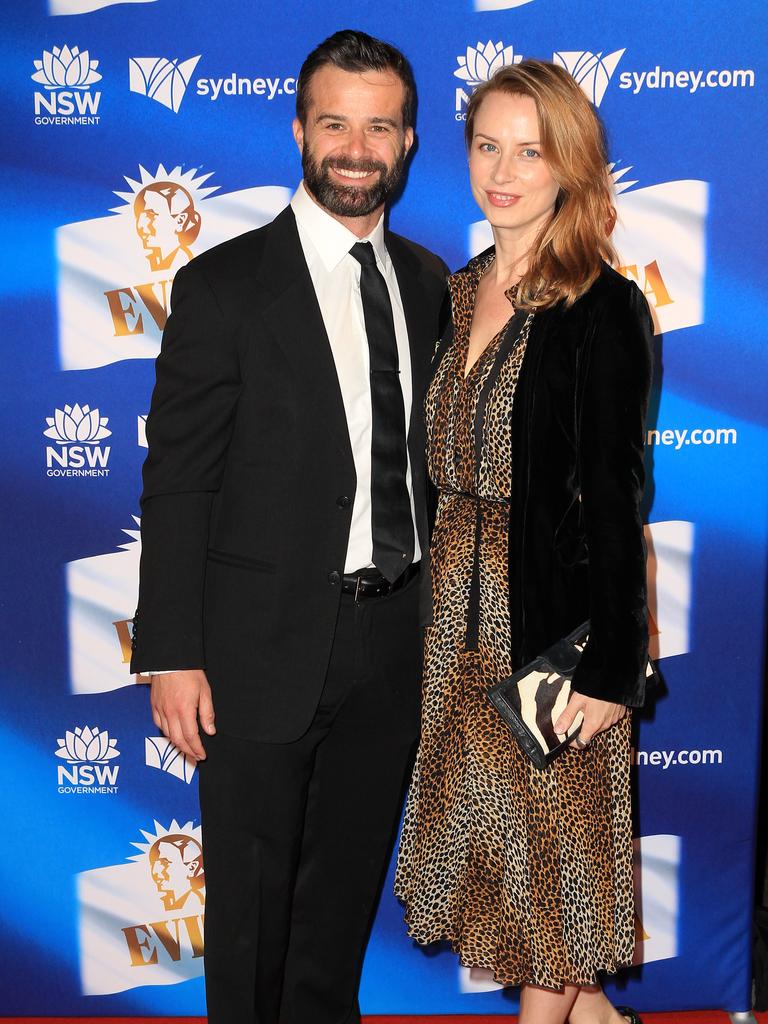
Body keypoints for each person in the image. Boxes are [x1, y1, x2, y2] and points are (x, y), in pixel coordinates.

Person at [130, 29, 447, 1024]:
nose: (358, 146)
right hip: (256, 644)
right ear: (300, 130)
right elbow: (178, 480)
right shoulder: (223, 286)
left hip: (394, 641)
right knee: (254, 910)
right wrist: (171, 650)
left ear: (407, 141)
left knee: (338, 903)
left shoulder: (434, 285)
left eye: (380, 126)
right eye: (336, 123)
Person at [394, 60, 652, 1024]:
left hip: (550, 634)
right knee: (501, 881)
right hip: (450, 630)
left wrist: (611, 669)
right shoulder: (454, 295)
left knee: (550, 896)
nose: (502, 172)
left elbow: (617, 500)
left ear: (569, 168)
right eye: (487, 145)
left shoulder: (599, 306)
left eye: (530, 151)